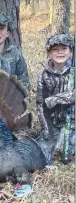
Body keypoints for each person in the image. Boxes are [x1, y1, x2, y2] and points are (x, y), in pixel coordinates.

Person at [36, 33, 75, 164]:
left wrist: (56, 99)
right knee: (41, 153)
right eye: (55, 49)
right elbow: (41, 106)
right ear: (49, 53)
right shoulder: (43, 75)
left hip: (73, 124)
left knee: (68, 153)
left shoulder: (74, 72)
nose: (60, 52)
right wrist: (47, 130)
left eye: (64, 49)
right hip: (54, 124)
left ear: (70, 52)